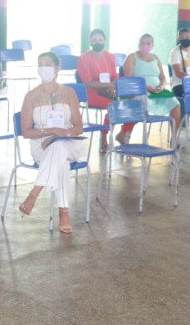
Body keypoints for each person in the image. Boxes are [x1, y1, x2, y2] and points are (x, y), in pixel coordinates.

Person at [16, 52, 85, 234]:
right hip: (41, 145)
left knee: (59, 145)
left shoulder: (69, 93)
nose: (43, 67)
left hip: (69, 142)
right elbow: (26, 132)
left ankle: (35, 192)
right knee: (61, 162)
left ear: (57, 68)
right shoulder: (31, 96)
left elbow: (79, 127)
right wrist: (51, 132)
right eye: (40, 64)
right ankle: (64, 211)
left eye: (47, 64)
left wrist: (64, 133)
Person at [76, 28, 132, 151]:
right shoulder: (83, 59)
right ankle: (104, 135)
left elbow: (115, 76)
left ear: (104, 41)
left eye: (100, 40)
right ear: (90, 42)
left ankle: (123, 132)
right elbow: (87, 82)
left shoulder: (110, 56)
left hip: (110, 90)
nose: (97, 42)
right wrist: (108, 86)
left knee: (134, 103)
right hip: (91, 93)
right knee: (113, 106)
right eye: (94, 40)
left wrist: (113, 85)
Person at [123, 33, 181, 139]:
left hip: (157, 91)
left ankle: (174, 137)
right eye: (142, 43)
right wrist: (145, 88)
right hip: (139, 91)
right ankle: (125, 133)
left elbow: (162, 77)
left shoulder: (155, 58)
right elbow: (128, 80)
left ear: (152, 45)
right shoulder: (132, 57)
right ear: (138, 44)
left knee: (175, 104)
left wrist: (162, 86)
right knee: (139, 104)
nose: (145, 45)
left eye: (148, 43)